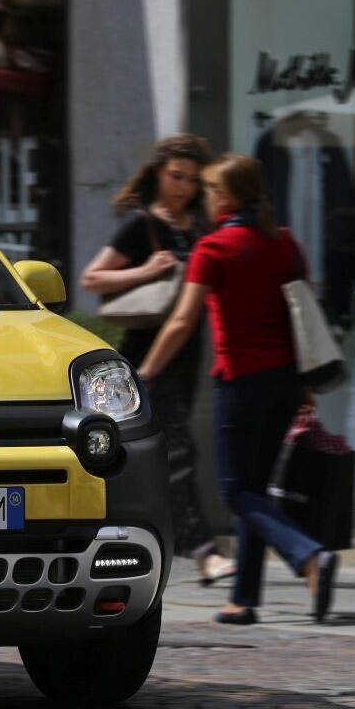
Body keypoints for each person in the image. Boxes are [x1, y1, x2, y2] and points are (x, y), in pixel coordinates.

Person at [138, 154, 339, 624]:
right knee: (256, 490)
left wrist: (144, 374)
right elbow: (303, 311)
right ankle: (243, 600)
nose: (205, 199)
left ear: (225, 196)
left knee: (236, 493)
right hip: (285, 382)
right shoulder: (284, 242)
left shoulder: (213, 248)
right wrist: (304, 385)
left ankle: (308, 555)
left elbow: (182, 321)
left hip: (241, 383)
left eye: (210, 190)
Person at [80, 135, 235, 586]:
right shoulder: (142, 225)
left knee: (154, 452)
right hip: (147, 354)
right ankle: (205, 552)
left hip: (188, 354)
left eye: (192, 180)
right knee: (180, 452)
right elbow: (92, 278)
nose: (183, 187)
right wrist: (146, 270)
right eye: (175, 176)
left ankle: (123, 537)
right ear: (158, 174)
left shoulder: (200, 227)